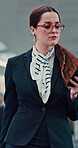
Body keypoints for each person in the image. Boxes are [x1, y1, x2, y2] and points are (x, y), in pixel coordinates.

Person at [0, 5, 78, 148]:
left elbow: (74, 115)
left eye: (57, 26)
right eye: (47, 26)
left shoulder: (71, 65)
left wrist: (74, 97)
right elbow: (10, 109)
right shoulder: (15, 64)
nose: (54, 30)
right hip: (20, 139)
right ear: (33, 30)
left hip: (57, 140)